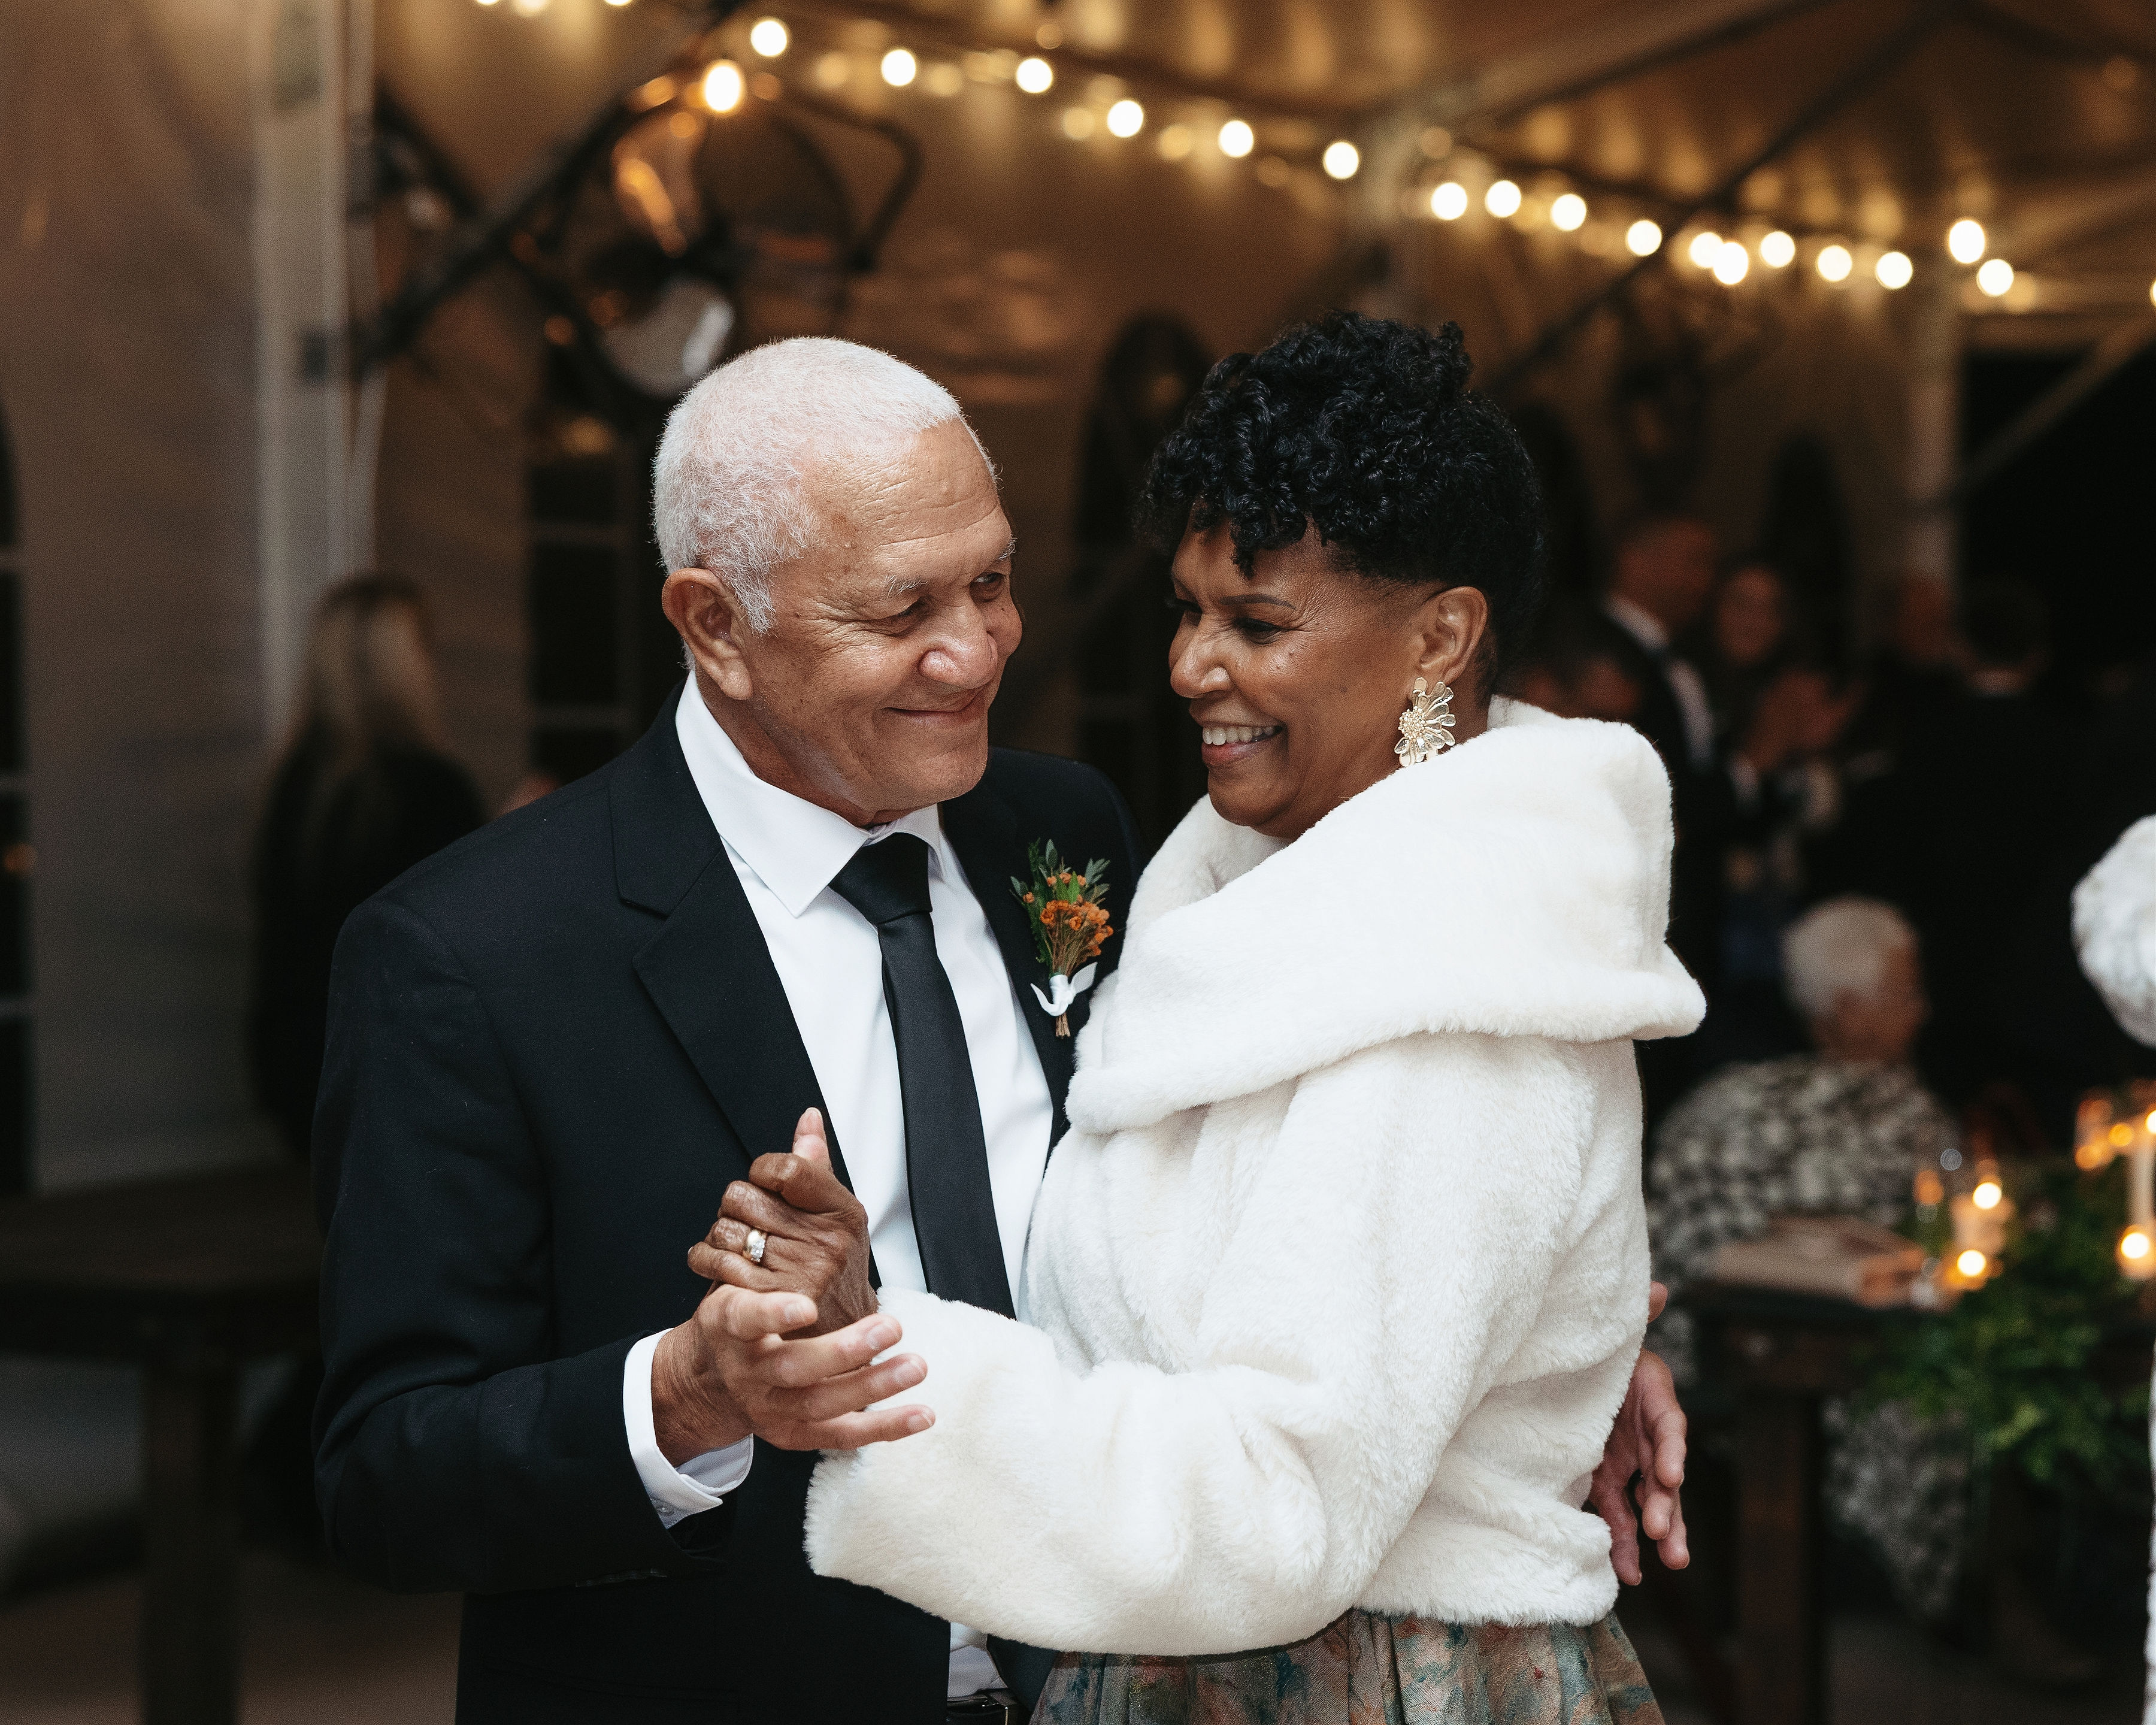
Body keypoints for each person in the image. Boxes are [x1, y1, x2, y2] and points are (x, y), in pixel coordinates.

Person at [310, 334, 1690, 1725]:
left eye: (991, 582)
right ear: (716, 625)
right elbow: (384, 1476)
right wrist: (685, 1397)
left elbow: (1289, 1204)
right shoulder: (476, 954)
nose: (973, 652)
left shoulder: (1062, 833)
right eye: (902, 607)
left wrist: (1499, 1354)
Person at [707, 316, 1701, 1721]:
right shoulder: (1250, 898)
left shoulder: (1454, 1002)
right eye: (1187, 610)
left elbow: (1279, 1503)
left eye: (1257, 623)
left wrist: (879, 1349)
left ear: (1440, 636)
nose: (1188, 666)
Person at [250, 571, 483, 1158]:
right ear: (404, 663)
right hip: (394, 1058)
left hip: (295, 1049)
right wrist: (516, 840)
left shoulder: (297, 782)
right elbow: (467, 930)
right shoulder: (429, 789)